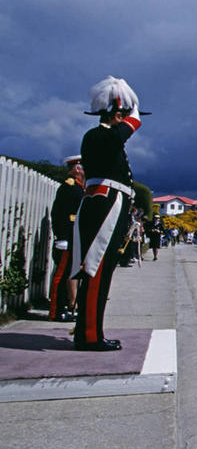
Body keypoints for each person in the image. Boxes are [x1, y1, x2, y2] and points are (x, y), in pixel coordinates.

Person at [71, 76, 143, 351]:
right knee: (96, 268)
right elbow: (120, 133)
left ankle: (90, 331)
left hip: (111, 203)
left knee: (102, 269)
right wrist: (132, 118)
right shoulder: (98, 135)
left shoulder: (108, 139)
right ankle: (89, 335)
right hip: (104, 204)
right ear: (116, 114)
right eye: (123, 116)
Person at [48, 155, 85, 321]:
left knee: (68, 274)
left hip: (72, 239)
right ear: (77, 168)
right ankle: (56, 311)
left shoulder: (78, 188)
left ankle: (64, 308)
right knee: (60, 276)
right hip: (66, 239)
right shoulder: (69, 188)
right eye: (84, 167)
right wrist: (61, 237)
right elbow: (58, 214)